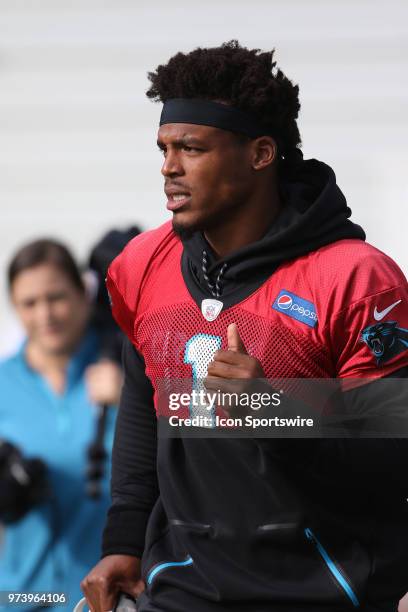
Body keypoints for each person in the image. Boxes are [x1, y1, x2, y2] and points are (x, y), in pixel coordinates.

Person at [81, 41, 408, 611]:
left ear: (260, 153)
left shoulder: (358, 281)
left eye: (191, 148)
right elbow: (142, 400)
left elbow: (392, 460)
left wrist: (276, 410)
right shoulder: (141, 265)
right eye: (163, 148)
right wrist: (125, 540)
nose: (169, 168)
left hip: (325, 590)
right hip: (185, 587)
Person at [0, 239, 121, 612]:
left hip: (109, 599)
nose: (45, 314)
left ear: (84, 294)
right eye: (29, 303)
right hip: (21, 598)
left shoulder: (130, 373)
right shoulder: (3, 383)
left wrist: (133, 398)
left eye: (56, 297)